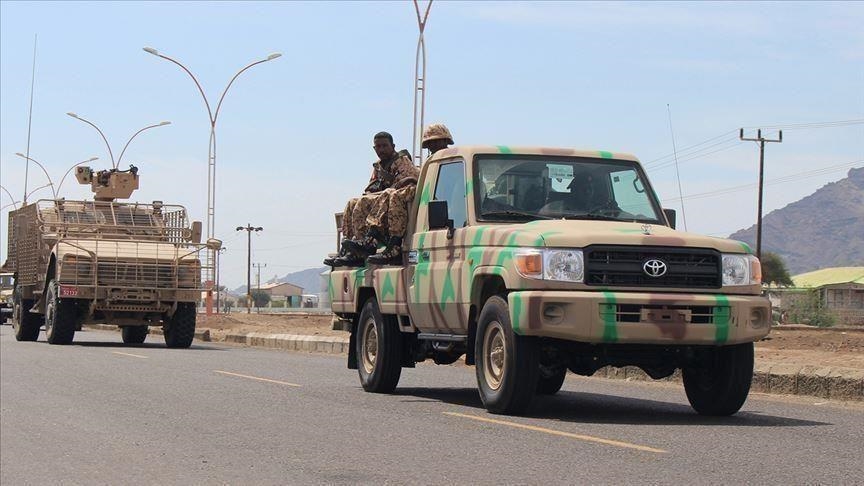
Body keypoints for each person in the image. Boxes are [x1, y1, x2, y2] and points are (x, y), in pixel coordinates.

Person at [324, 131, 417, 267]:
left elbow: (408, 182)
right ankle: (352, 248)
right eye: (378, 147)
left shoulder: (401, 161)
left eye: (384, 146)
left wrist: (381, 192)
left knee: (382, 195)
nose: (381, 150)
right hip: (385, 196)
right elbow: (372, 187)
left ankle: (370, 240)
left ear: (393, 146)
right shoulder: (378, 167)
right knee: (353, 202)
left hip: (400, 195)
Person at [366, 123, 454, 265]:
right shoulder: (432, 162)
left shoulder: (451, 161)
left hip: (443, 210)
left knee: (394, 195)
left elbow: (434, 185)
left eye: (437, 141)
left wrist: (412, 179)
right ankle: (366, 241)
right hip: (429, 203)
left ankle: (394, 244)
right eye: (430, 143)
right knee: (364, 200)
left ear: (446, 141)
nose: (433, 145)